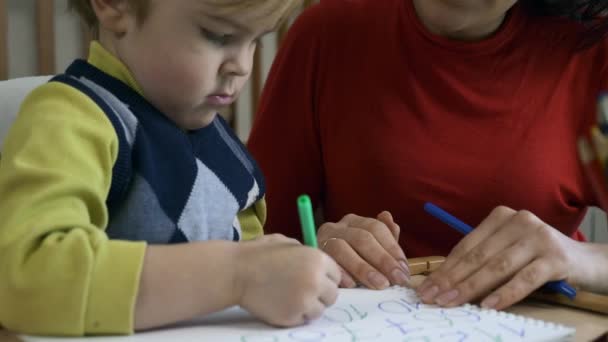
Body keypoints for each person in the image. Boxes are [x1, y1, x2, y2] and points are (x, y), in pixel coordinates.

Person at [0, 0, 344, 336]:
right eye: (218, 36)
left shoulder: (218, 140)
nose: (242, 65)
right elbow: (26, 273)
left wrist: (282, 271)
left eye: (254, 40)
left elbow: (248, 253)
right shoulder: (69, 120)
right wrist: (238, 275)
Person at [248, 0, 608, 311]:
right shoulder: (326, 33)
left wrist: (583, 260)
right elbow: (250, 245)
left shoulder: (593, 52)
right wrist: (315, 250)